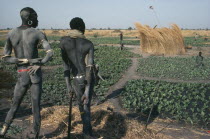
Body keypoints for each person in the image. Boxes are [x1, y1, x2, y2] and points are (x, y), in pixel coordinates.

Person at [0, 7, 53, 138]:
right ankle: (35, 135)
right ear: (29, 19)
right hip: (34, 73)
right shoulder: (37, 33)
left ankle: (3, 131)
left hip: (22, 73)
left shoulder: (11, 33)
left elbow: (5, 58)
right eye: (35, 17)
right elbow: (50, 52)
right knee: (36, 107)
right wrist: (38, 62)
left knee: (14, 105)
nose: (37, 20)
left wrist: (20, 60)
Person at [59, 17, 94, 137]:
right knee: (86, 106)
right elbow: (90, 67)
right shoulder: (88, 43)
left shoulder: (63, 42)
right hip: (87, 78)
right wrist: (88, 90)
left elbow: (65, 66)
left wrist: (68, 85)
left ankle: (86, 132)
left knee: (81, 106)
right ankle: (87, 133)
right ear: (81, 27)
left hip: (75, 79)